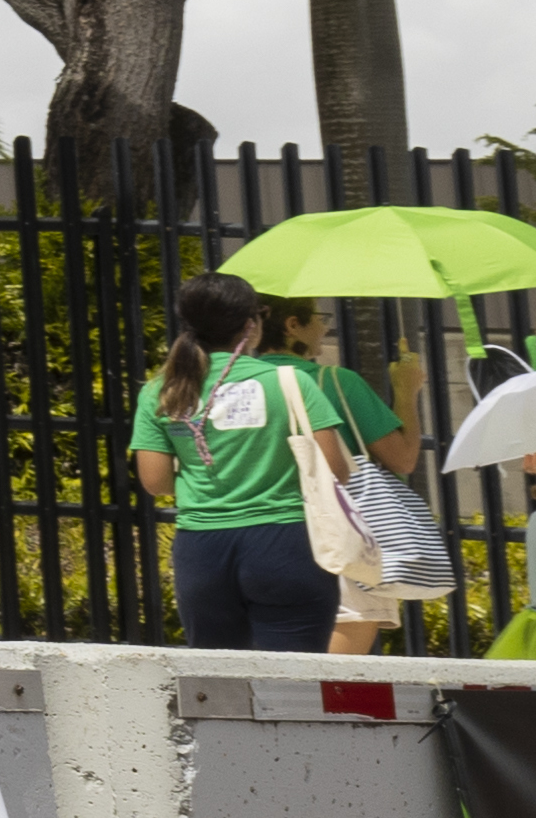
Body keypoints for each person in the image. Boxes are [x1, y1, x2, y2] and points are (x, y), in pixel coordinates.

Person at [128, 271, 397, 656]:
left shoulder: (162, 389)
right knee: (295, 676)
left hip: (202, 548)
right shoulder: (289, 382)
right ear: (251, 325)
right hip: (287, 542)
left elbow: (155, 481)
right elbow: (333, 467)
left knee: (219, 679)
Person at [264, 298, 427, 655]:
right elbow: (403, 458)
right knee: (333, 682)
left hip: (259, 542)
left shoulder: (237, 384)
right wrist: (406, 393)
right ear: (292, 325)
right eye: (319, 319)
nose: (325, 327)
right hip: (340, 539)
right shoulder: (334, 382)